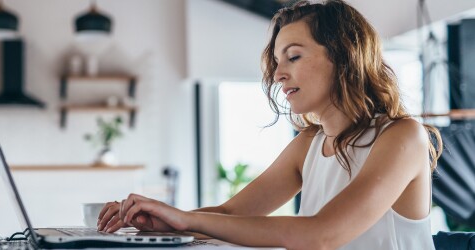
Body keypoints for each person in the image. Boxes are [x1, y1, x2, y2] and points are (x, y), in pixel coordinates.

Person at [97, 0, 443, 249]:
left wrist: (184, 220)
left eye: (293, 56)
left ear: (344, 55)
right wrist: (167, 222)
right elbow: (232, 213)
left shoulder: (401, 136)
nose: (278, 75)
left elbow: (320, 235)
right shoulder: (309, 143)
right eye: (277, 62)